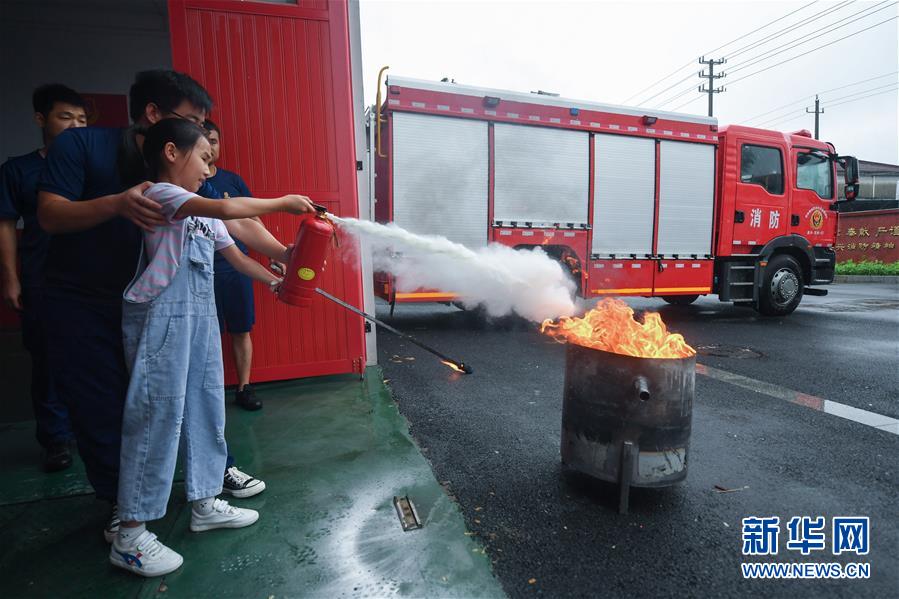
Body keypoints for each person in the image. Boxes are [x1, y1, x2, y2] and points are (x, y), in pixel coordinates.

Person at [37, 69, 285, 543]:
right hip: (91, 299)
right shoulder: (90, 149)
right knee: (120, 407)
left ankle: (208, 486)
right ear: (155, 117)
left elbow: (234, 226)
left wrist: (285, 257)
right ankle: (126, 512)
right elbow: (50, 214)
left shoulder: (190, 176)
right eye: (194, 125)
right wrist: (116, 204)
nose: (205, 144)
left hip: (174, 311)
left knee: (200, 398)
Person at [111, 118, 314, 577]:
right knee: (157, 418)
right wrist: (283, 202)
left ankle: (205, 501)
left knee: (206, 406)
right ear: (170, 152)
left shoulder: (201, 215)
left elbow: (237, 256)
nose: (208, 169)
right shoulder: (163, 195)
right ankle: (130, 535)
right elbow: (228, 208)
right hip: (164, 321)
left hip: (199, 319)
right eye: (204, 158)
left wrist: (278, 277)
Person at [0, 84, 86, 471]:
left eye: (81, 119)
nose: (75, 126)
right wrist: (11, 278)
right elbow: (6, 224)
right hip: (41, 276)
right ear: (41, 119)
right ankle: (56, 438)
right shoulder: (18, 170)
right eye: (65, 117)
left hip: (91, 276)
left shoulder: (91, 165)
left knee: (92, 357)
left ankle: (90, 427)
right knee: (47, 360)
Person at [203, 119, 276, 411]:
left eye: (213, 141)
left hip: (236, 268)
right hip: (201, 271)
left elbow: (250, 219)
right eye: (202, 141)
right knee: (204, 335)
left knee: (240, 329)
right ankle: (207, 392)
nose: (208, 148)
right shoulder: (182, 188)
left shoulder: (231, 181)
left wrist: (274, 254)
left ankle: (244, 388)